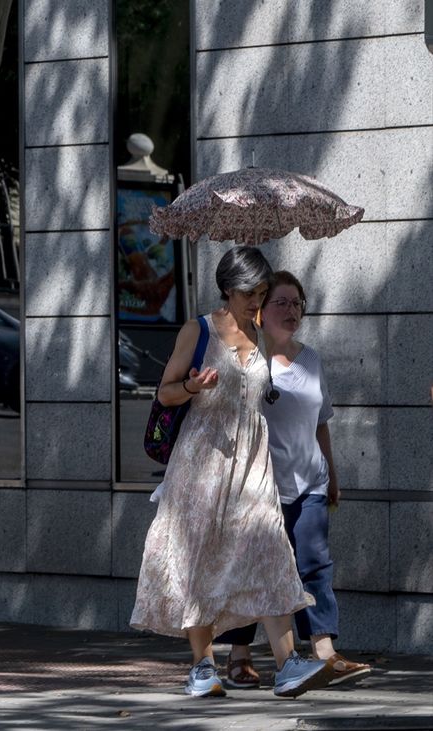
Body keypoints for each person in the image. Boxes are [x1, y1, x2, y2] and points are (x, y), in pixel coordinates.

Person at [130, 246, 329, 699]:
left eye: (261, 292)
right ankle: (202, 666)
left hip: (253, 462)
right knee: (199, 559)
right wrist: (192, 385)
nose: (256, 301)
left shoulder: (261, 335)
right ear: (227, 289)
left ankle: (288, 665)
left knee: (271, 549)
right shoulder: (198, 330)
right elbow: (164, 393)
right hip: (201, 463)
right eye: (248, 293)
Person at [218, 271, 371, 689]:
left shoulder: (311, 360)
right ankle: (239, 654)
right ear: (261, 311)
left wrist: (332, 473)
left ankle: (324, 651)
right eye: (281, 302)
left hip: (310, 483)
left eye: (297, 303)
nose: (292, 311)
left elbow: (321, 423)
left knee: (314, 565)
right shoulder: (249, 360)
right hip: (260, 487)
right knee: (252, 568)